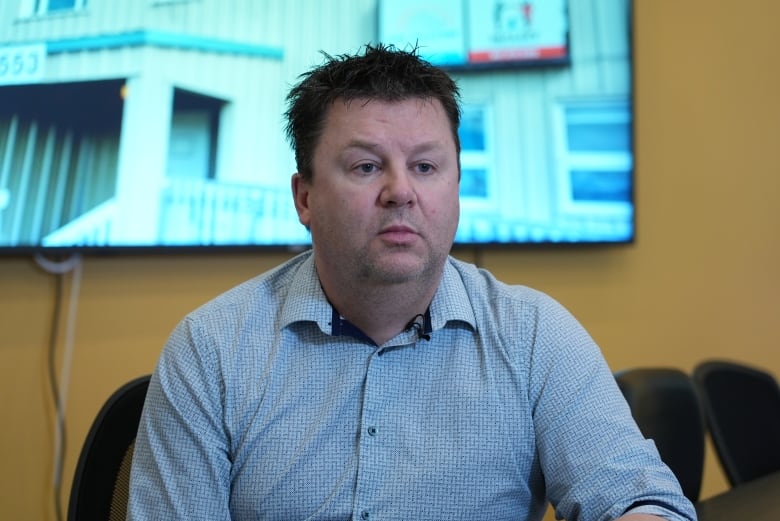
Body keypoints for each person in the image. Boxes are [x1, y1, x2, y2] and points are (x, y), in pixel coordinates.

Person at [127, 44, 696, 521]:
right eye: (366, 166)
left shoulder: (532, 336)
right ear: (305, 198)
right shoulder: (210, 351)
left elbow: (638, 498)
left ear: (455, 188)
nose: (401, 191)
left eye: (425, 166)